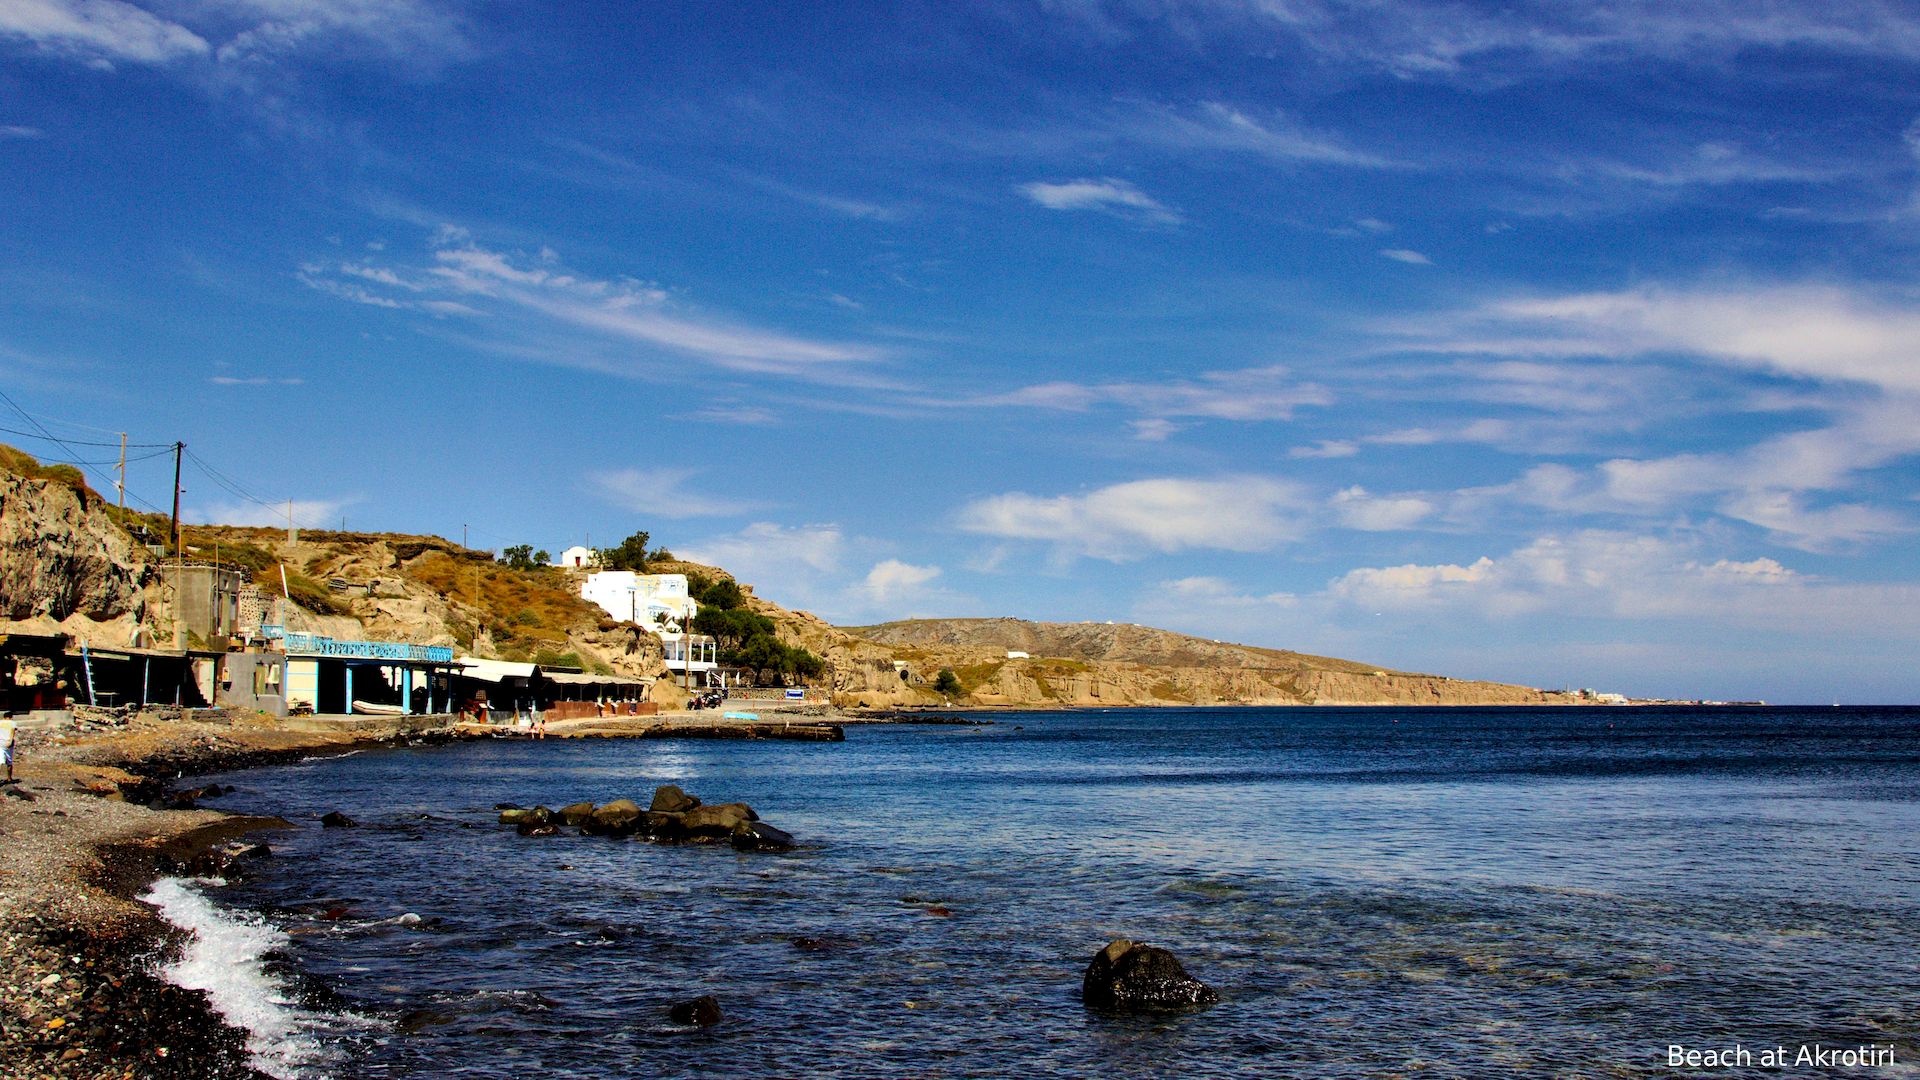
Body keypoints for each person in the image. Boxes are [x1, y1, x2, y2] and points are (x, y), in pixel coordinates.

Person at [0, 714, 17, 783]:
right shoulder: (12, 723)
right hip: (8, 743)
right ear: (10, 717)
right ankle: (9, 778)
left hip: (0, 743)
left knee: (0, 761)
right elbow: (12, 732)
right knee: (9, 761)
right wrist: (10, 741)